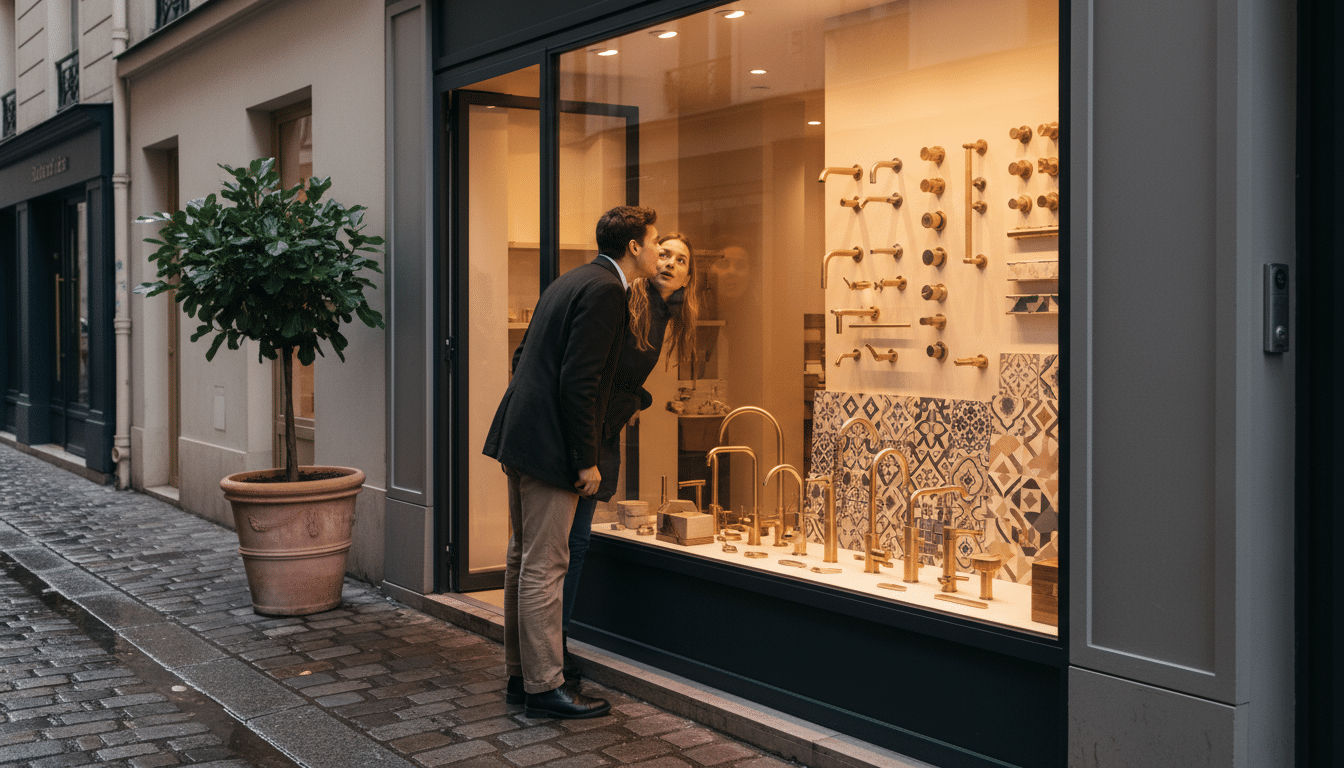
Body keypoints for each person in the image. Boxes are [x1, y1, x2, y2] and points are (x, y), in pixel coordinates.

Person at [483, 206, 661, 719]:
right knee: (545, 565)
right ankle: (544, 687)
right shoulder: (607, 290)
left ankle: (522, 677)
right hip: (551, 447)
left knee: (523, 559)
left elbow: (524, 360)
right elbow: (578, 382)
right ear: (633, 247)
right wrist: (586, 460)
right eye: (653, 242)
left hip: (523, 436)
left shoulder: (573, 280)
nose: (656, 251)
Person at [560, 233, 699, 682]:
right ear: (644, 254)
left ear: (688, 277)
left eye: (681, 260)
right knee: (568, 547)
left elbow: (621, 373)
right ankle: (551, 651)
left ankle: (552, 648)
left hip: (600, 431)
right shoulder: (627, 302)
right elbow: (595, 370)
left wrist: (638, 396)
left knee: (573, 544)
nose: (670, 262)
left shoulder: (663, 313)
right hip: (587, 435)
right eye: (664, 253)